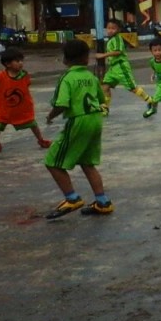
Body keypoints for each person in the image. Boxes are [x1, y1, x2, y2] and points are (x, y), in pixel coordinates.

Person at [43, 39, 114, 219]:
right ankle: (103, 201)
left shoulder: (67, 78)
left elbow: (61, 103)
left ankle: (72, 198)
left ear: (65, 60)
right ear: (86, 58)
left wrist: (51, 116)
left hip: (78, 121)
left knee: (52, 161)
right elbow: (101, 97)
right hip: (96, 119)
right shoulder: (91, 77)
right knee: (87, 162)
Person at [0, 47, 52, 154]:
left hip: (21, 108)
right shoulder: (0, 76)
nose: (21, 63)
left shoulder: (24, 75)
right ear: (8, 64)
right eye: (17, 61)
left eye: (21, 60)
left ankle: (41, 140)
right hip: (4, 108)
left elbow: (26, 86)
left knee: (32, 124)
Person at [95, 18, 154, 115]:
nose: (110, 30)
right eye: (108, 28)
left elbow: (118, 51)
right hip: (113, 68)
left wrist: (103, 55)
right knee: (105, 86)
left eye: (113, 28)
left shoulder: (117, 38)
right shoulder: (111, 40)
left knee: (132, 87)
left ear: (118, 30)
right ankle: (105, 108)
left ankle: (150, 100)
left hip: (121, 67)